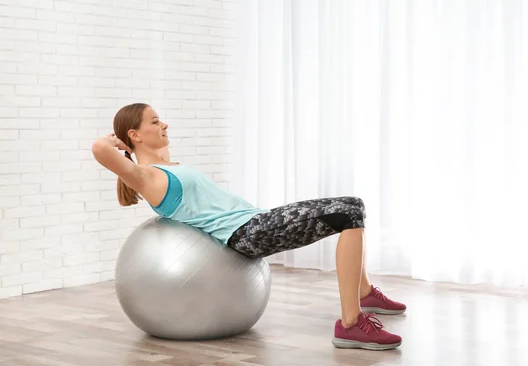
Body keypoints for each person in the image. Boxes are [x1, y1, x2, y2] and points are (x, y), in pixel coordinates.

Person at [91, 103, 406, 350]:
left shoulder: (165, 165)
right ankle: (351, 324)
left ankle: (364, 293)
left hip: (257, 220)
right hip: (248, 233)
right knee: (346, 215)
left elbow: (149, 151)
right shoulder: (147, 177)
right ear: (135, 134)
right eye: (155, 121)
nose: (164, 124)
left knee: (353, 204)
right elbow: (99, 149)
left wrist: (132, 143)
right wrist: (117, 142)